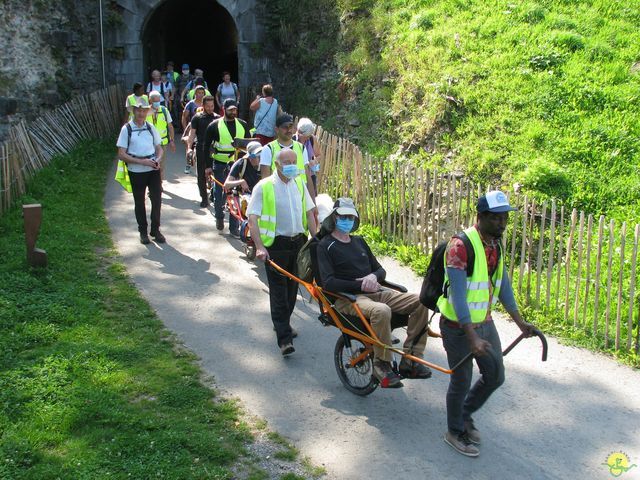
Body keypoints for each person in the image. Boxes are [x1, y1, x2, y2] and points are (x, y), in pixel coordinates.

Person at [437, 190, 536, 457]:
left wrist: (520, 323)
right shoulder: (460, 246)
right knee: (461, 380)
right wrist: (472, 337)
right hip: (458, 326)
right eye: (496, 218)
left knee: (495, 375)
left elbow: (503, 287)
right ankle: (454, 431)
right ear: (480, 217)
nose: (502, 224)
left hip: (484, 323)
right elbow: (458, 296)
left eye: (505, 218)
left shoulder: (495, 244)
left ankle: (464, 414)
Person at [316, 197, 432, 388]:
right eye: (343, 216)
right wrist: (359, 285)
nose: (347, 220)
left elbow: (381, 271)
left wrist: (372, 277)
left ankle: (411, 360)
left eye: (350, 217)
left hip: (375, 291)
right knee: (382, 310)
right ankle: (382, 364)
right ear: (334, 218)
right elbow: (328, 283)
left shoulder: (359, 242)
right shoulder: (325, 246)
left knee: (421, 301)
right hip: (347, 298)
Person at [247, 149, 318, 356]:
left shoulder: (299, 183)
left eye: (294, 161)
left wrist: (317, 238)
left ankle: (282, 324)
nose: (292, 165)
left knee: (291, 290)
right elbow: (252, 219)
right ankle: (284, 340)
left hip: (298, 245)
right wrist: (260, 247)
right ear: (277, 165)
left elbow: (309, 213)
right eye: (287, 162)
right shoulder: (264, 187)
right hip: (276, 246)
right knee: (278, 292)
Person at [116, 99, 165, 244]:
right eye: (138, 110)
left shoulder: (150, 127)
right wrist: (141, 162)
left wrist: (158, 159)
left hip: (152, 168)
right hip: (136, 170)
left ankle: (155, 230)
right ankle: (143, 231)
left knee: (157, 199)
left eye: (144, 110)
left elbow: (159, 148)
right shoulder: (127, 129)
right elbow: (121, 153)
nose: (141, 113)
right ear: (134, 111)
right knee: (139, 201)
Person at [203, 98, 251, 234]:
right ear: (224, 109)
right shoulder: (214, 126)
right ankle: (219, 216)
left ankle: (234, 227)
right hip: (220, 164)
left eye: (235, 109)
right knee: (220, 194)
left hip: (239, 164)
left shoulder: (243, 124)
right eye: (230, 109)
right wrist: (207, 166)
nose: (233, 112)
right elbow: (206, 147)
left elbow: (249, 144)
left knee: (236, 195)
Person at [260, 114, 316, 200]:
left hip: (299, 199)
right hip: (278, 198)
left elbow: (308, 177)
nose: (289, 130)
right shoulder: (268, 149)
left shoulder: (301, 148)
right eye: (285, 127)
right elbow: (265, 180)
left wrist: (313, 203)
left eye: (291, 126)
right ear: (276, 129)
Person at [185, 95, 219, 206]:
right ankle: (204, 197)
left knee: (217, 173)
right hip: (201, 148)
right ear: (203, 106)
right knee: (201, 174)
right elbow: (192, 134)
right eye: (208, 106)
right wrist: (189, 148)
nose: (210, 108)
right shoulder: (197, 118)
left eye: (212, 106)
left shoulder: (218, 118)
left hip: (215, 149)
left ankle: (214, 194)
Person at [146, 91, 176, 180]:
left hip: (162, 143)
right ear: (150, 101)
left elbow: (170, 126)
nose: (157, 103)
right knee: (150, 166)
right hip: (148, 143)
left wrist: (172, 140)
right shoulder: (145, 111)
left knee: (161, 166)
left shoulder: (164, 110)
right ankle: (151, 187)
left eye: (159, 100)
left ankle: (159, 185)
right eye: (155, 101)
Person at [293, 117, 322, 193]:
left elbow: (319, 155)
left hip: (310, 175)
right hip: (295, 176)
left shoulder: (312, 139)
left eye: (310, 135)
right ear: (300, 133)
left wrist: (314, 161)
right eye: (307, 136)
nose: (308, 137)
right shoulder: (291, 140)